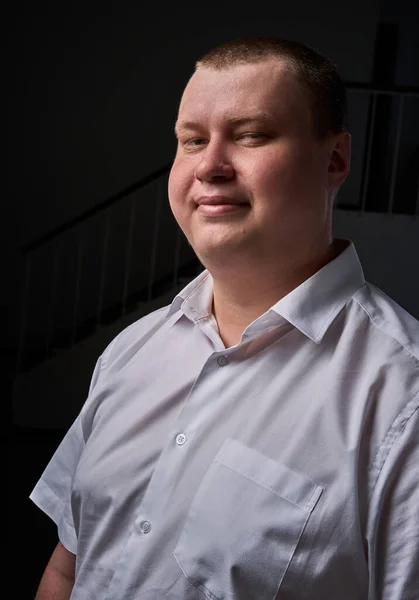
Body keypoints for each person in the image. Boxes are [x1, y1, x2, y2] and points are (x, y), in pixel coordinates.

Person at [31, 36, 418, 600]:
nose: (209, 166)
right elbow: (68, 571)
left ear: (334, 159)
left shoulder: (402, 399)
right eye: (191, 141)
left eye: (251, 135)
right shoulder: (132, 351)